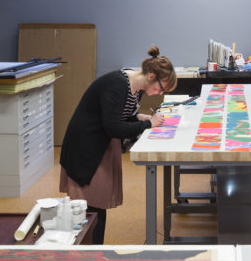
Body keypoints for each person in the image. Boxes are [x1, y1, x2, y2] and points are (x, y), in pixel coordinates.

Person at [59, 45, 177, 244]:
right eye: (161, 88)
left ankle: (95, 250)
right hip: (85, 150)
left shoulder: (136, 87)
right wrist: (147, 124)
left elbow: (120, 115)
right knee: (90, 210)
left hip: (100, 147)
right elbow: (113, 127)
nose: (159, 94)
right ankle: (89, 255)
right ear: (151, 76)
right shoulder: (118, 84)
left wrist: (138, 117)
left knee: (97, 207)